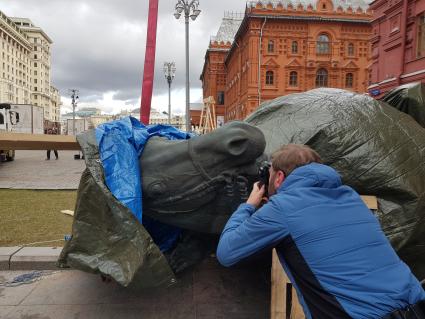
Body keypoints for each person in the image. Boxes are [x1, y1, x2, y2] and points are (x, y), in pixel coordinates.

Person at [216, 144, 425, 319]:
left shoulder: (283, 207)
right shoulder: (350, 196)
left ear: (279, 177)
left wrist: (249, 206)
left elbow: (227, 252)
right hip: (417, 304)